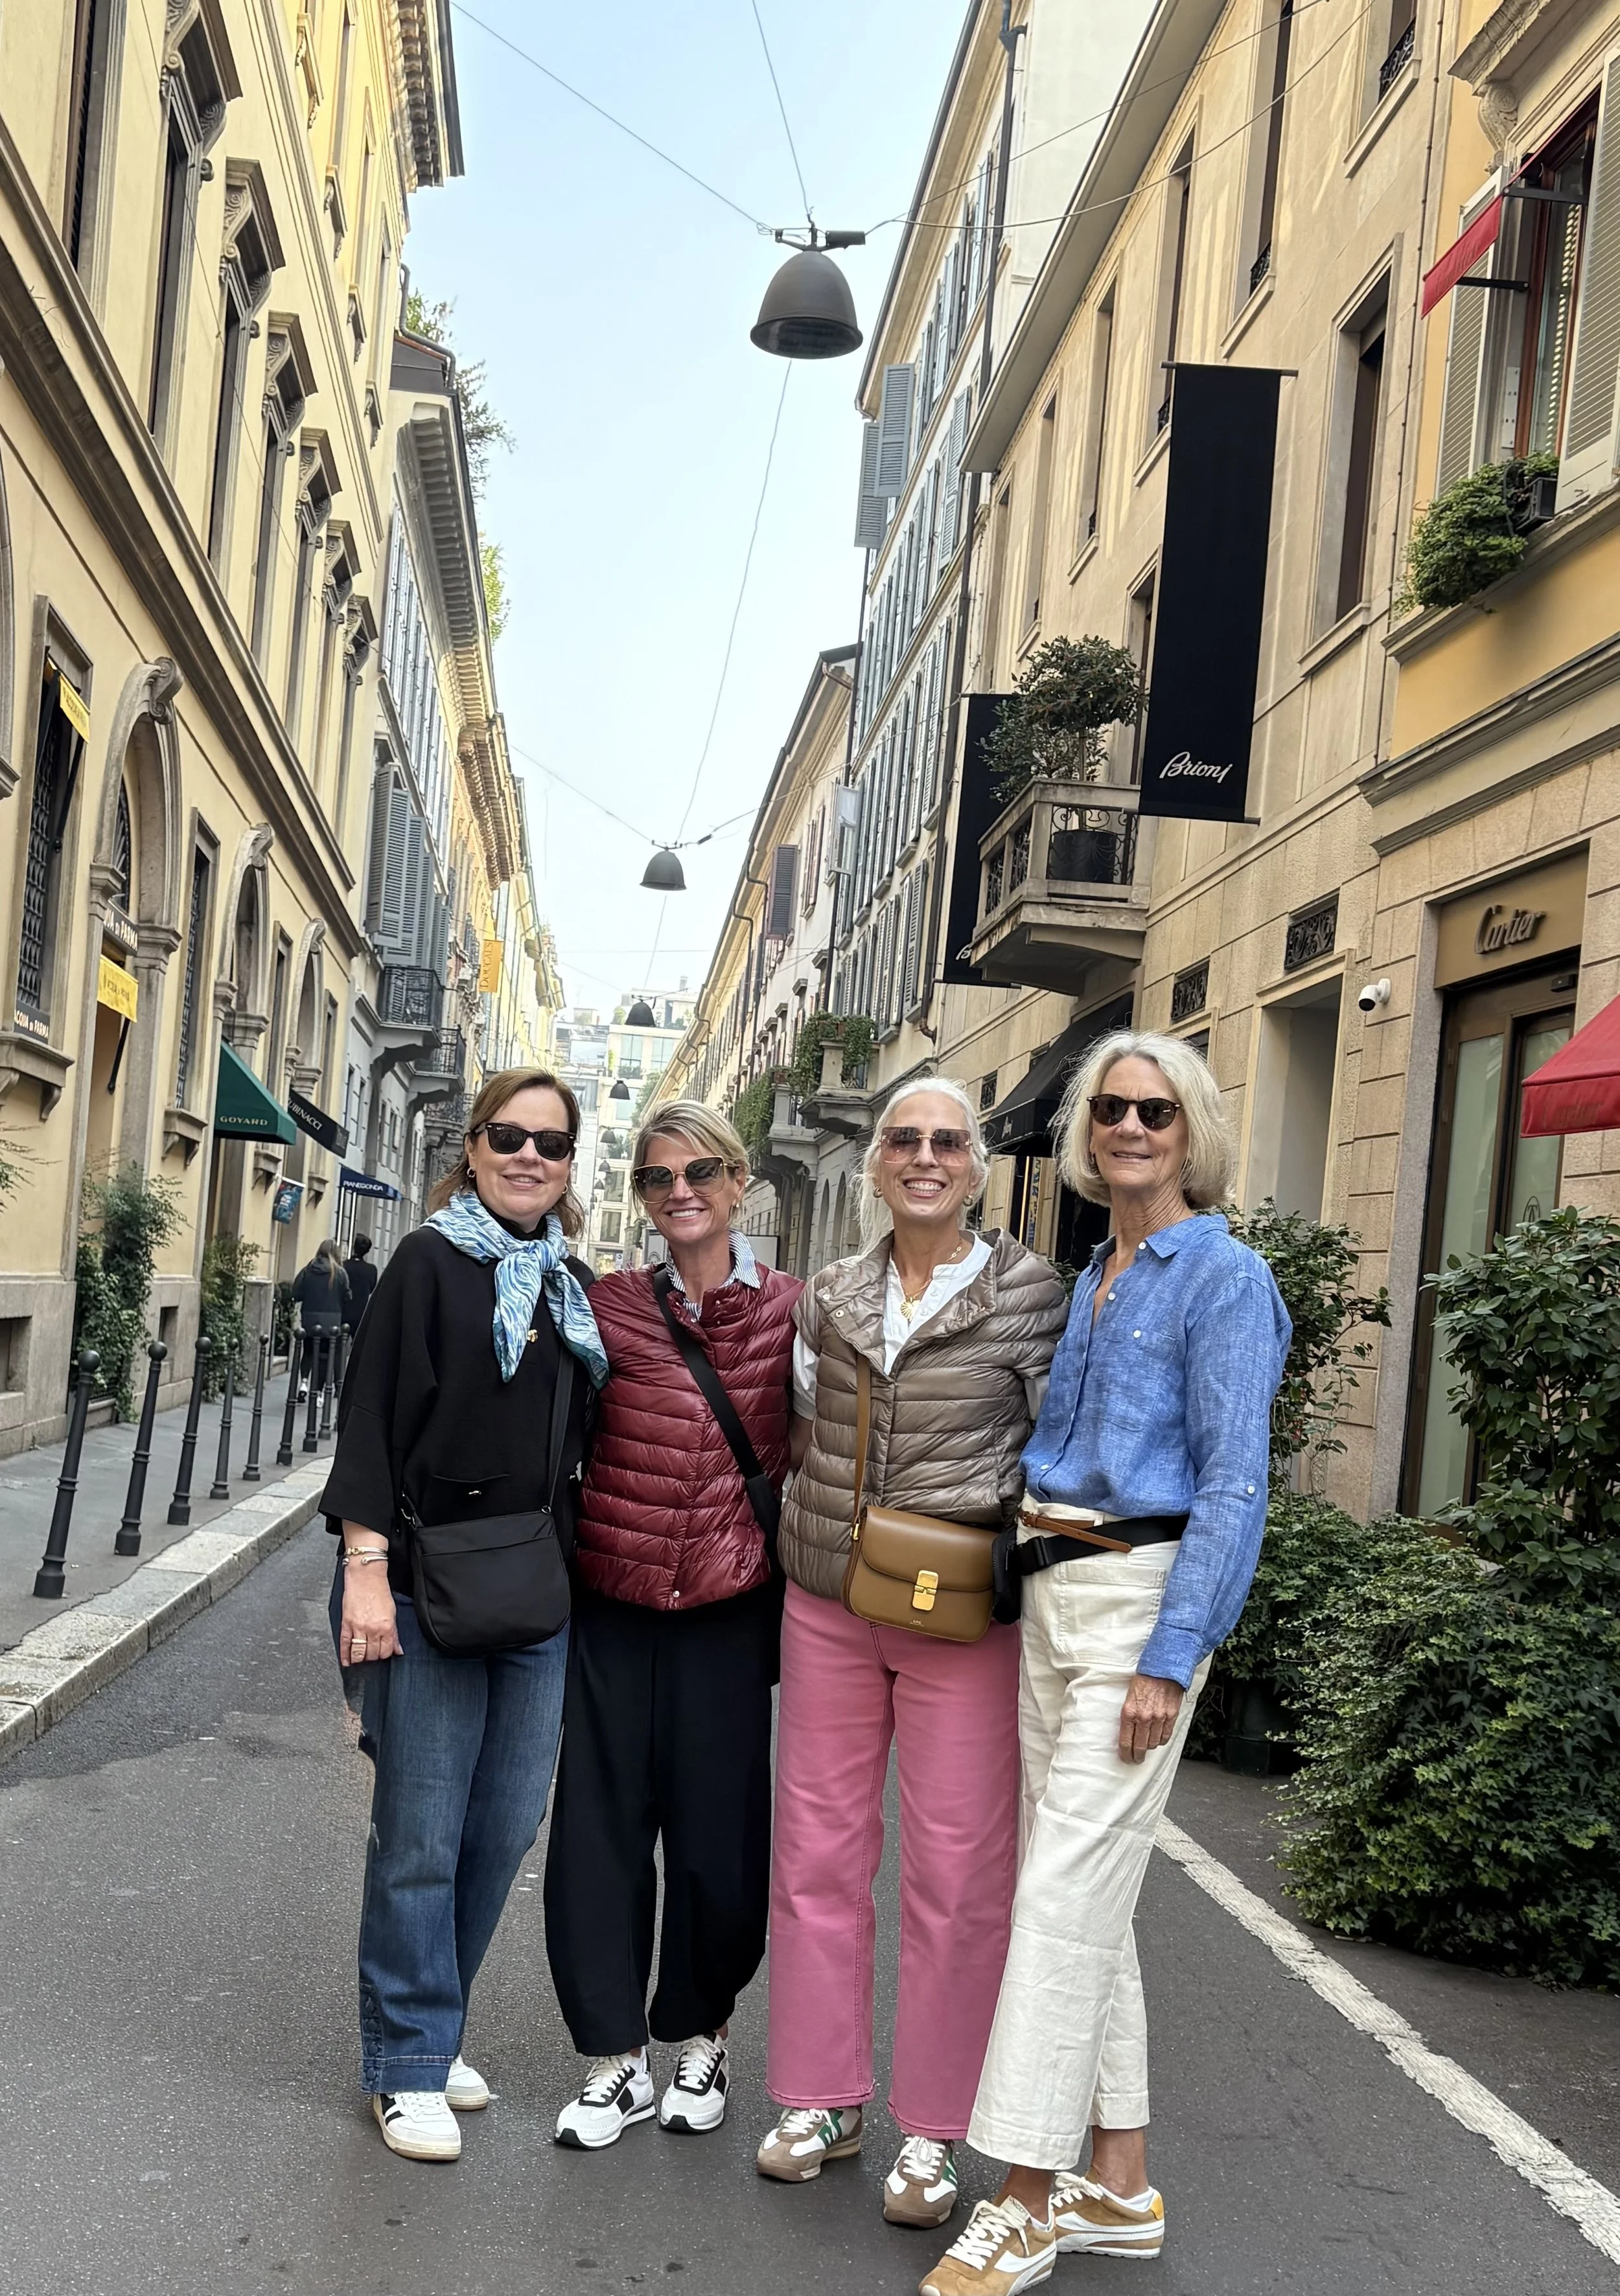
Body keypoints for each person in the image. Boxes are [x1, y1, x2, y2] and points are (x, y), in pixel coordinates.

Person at [921, 1033, 1290, 2296]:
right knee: (1086, 1896)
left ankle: (1024, 2193)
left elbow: (1235, 1483)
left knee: (1056, 1899)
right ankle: (1119, 2183)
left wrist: (1172, 1656)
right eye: (1111, 1108)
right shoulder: (1097, 1270)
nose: (1130, 1126)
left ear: (1192, 1132)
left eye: (1156, 1111)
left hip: (1139, 1604)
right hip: (1052, 1596)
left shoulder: (1223, 1276)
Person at [757, 1080, 1067, 2233]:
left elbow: (1060, 1445)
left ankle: (934, 2125)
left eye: (947, 1141)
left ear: (977, 1167)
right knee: (816, 1852)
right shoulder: (831, 1293)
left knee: (957, 1874)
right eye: (904, 1139)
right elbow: (802, 1430)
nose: (924, 1156)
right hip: (830, 1595)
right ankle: (820, 2099)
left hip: (961, 1609)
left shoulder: (1032, 1295)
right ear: (876, 1164)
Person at [318, 1066, 606, 2164]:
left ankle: (431, 2027)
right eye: (508, 1136)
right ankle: (405, 2060)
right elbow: (372, 1421)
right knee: (422, 1832)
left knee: (503, 1825)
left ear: (571, 1163)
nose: (529, 1155)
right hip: (423, 1578)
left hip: (533, 1588)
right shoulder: (429, 1262)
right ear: (473, 1149)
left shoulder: (570, 1284)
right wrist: (364, 1569)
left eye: (551, 1142)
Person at [545, 1101, 799, 2148]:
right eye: (657, 1177)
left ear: (738, 1182)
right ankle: (613, 2060)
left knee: (717, 1848)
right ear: (642, 1197)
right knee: (597, 1838)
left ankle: (703, 2032)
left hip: (729, 1615)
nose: (679, 1191)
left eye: (699, 1172)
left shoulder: (795, 1312)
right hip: (614, 1604)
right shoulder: (606, 1304)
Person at [291, 1237, 349, 1401]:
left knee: (308, 1352)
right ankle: (319, 1391)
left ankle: (304, 1383)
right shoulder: (340, 1273)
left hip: (309, 1319)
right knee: (325, 1356)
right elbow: (347, 1296)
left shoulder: (308, 1270)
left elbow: (297, 1293)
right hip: (331, 1323)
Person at [343, 1233, 378, 1331]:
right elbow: (372, 1289)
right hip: (361, 1314)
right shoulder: (371, 1269)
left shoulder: (343, 1266)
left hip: (343, 1312)